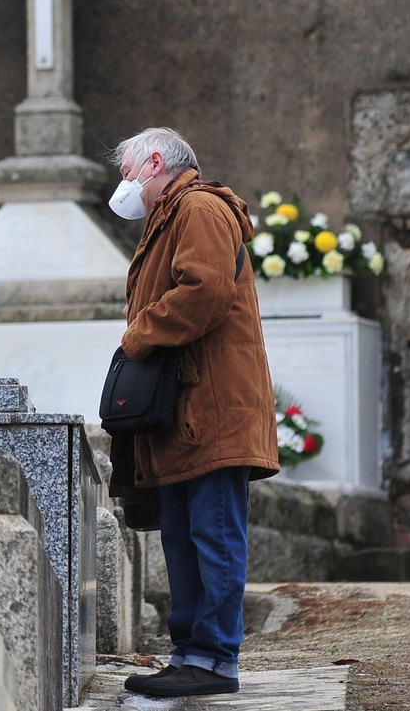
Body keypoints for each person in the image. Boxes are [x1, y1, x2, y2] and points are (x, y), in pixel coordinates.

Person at [106, 127, 279, 698]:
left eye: (129, 171)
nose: (125, 184)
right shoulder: (170, 216)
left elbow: (203, 291)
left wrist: (138, 338)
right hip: (188, 407)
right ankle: (192, 655)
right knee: (181, 533)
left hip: (212, 406)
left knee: (213, 532)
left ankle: (213, 659)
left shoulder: (199, 207)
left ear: (155, 161)